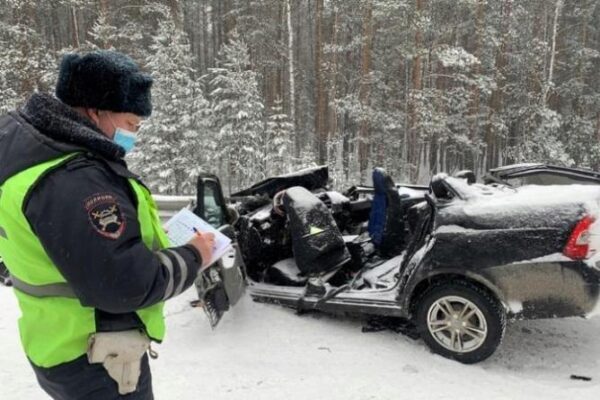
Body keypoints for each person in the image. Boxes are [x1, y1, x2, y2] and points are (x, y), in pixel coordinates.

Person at [0, 50, 215, 399]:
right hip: (97, 354)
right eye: (131, 124)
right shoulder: (74, 180)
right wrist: (194, 255)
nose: (133, 135)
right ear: (95, 110)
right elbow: (126, 284)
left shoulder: (27, 147)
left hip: (55, 337)